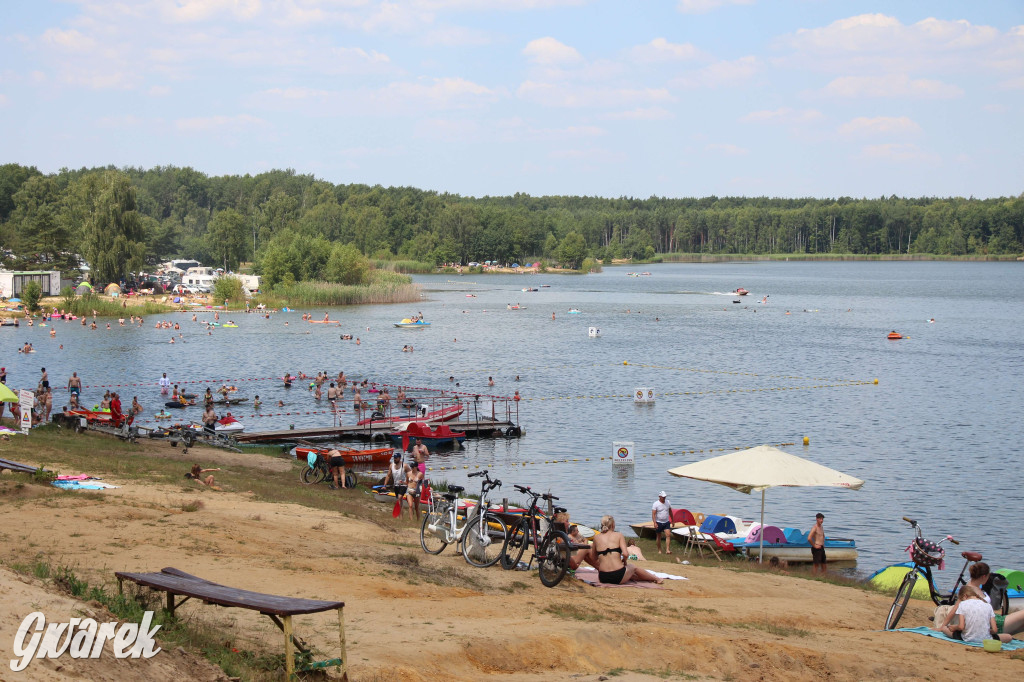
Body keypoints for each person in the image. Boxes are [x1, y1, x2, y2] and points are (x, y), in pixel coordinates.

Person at [591, 516, 663, 585]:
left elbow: (593, 558)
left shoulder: (596, 538)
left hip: (603, 577)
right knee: (633, 567)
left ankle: (649, 578)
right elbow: (625, 554)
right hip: (618, 576)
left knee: (631, 573)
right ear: (613, 525)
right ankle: (656, 579)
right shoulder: (619, 535)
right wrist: (624, 561)